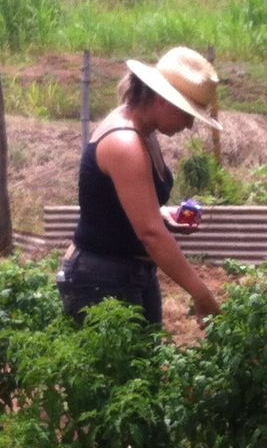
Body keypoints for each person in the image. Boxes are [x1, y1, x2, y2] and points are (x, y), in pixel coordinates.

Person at [58, 46, 223, 328]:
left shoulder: (142, 129)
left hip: (131, 273)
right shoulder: (125, 143)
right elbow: (150, 235)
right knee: (115, 371)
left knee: (143, 367)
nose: (190, 124)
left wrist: (159, 213)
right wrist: (201, 295)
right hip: (100, 281)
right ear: (162, 100)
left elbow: (116, 206)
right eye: (187, 113)